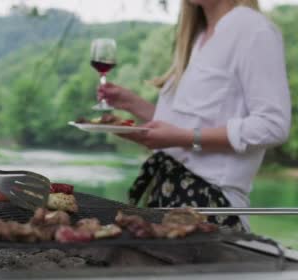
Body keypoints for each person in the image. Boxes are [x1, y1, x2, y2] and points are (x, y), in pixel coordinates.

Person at [98, 0, 291, 229]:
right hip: (166, 197)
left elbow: (273, 125)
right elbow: (182, 126)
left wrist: (183, 138)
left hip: (207, 206)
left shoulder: (253, 30)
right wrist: (132, 104)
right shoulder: (198, 36)